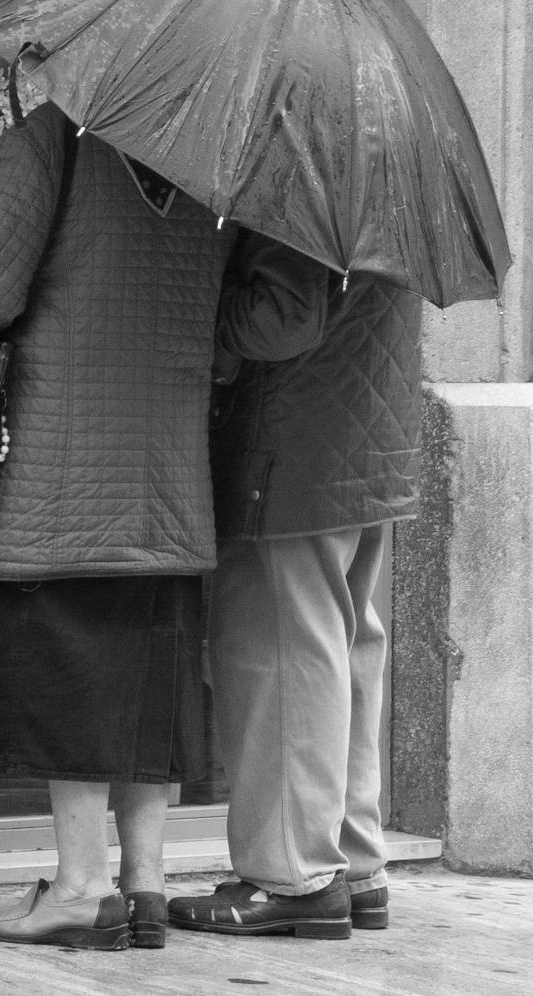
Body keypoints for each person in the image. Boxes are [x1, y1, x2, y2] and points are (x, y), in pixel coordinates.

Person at [0, 98, 232, 952]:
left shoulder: (48, 144)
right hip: (168, 467)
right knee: (148, 676)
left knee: (70, 664)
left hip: (61, 460)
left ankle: (79, 887)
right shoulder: (209, 152)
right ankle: (142, 884)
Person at [167, 231, 421, 939]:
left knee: (281, 658)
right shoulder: (376, 171)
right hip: (358, 439)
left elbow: (283, 317)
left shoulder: (300, 163)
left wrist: (199, 303)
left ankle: (291, 876)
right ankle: (352, 864)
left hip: (292, 448)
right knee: (337, 650)